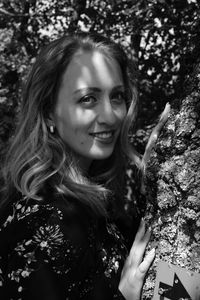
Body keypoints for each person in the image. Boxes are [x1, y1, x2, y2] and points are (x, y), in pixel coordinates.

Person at [0, 32, 155, 300]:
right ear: (49, 111)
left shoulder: (90, 195)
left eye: (117, 96)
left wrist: (161, 170)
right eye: (88, 99)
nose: (110, 115)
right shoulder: (43, 222)